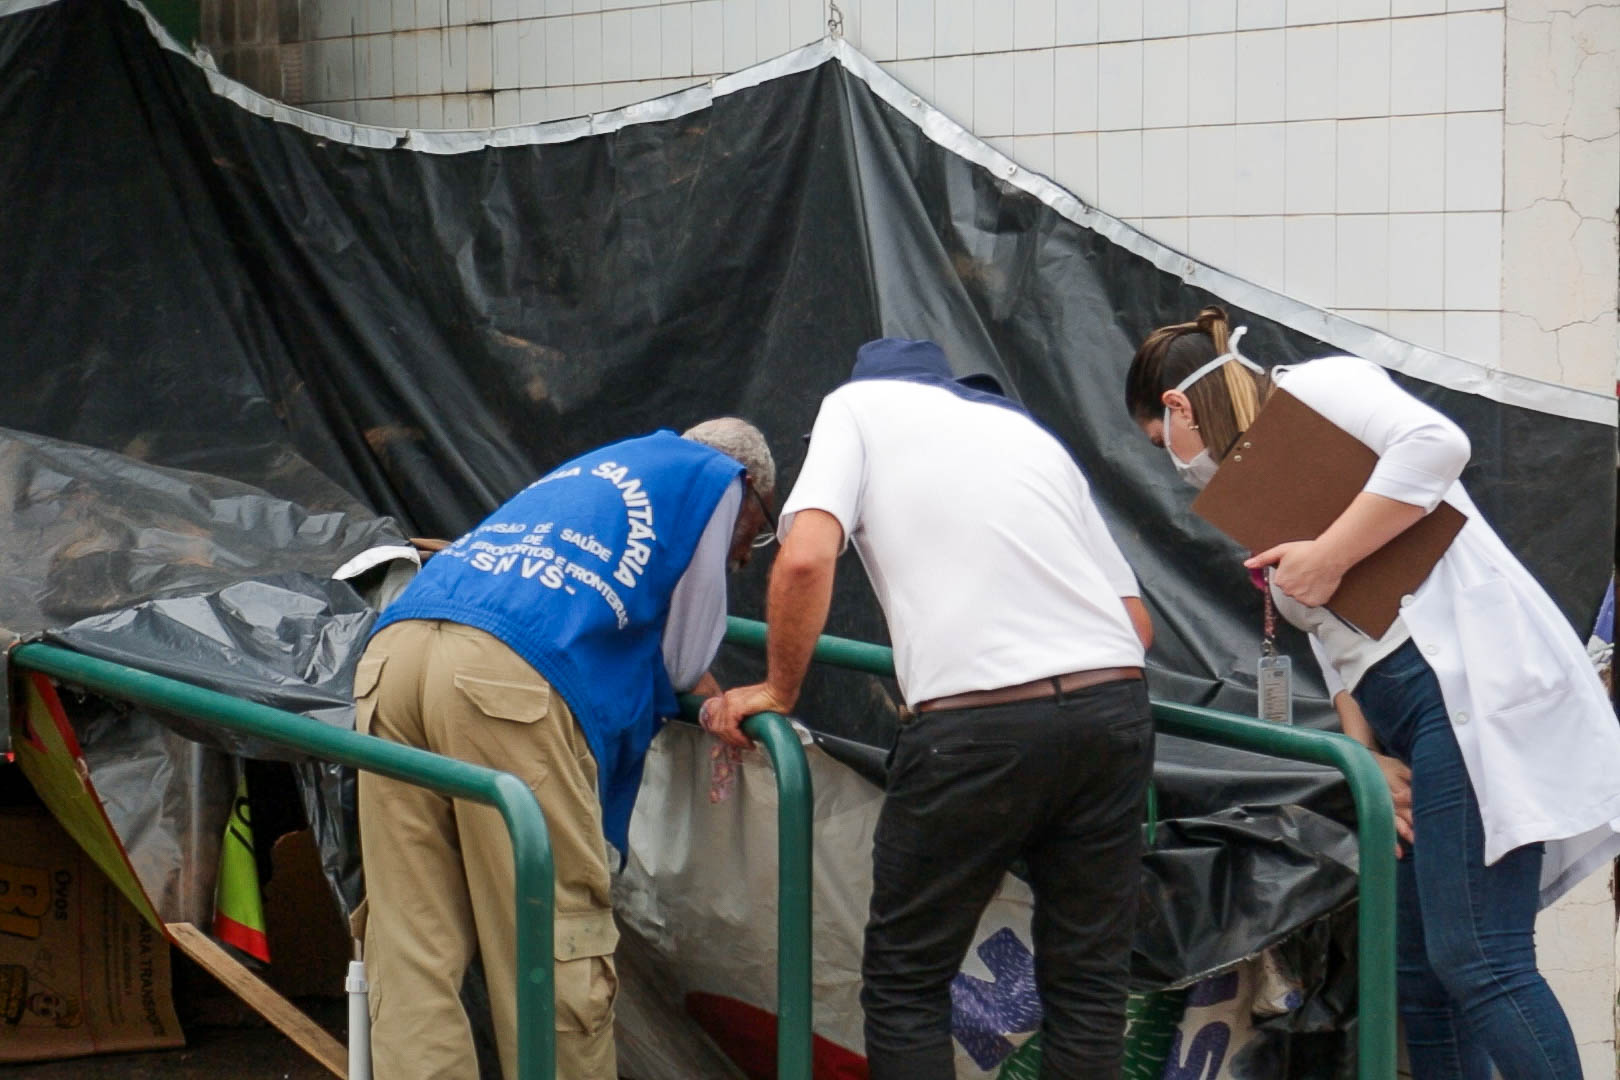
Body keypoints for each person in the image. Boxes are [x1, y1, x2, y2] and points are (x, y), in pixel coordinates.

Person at [1125, 306, 1620, 1080]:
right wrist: (1366, 762)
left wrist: (1327, 554)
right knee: (1420, 972)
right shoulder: (1264, 490)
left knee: (1480, 959)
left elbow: (1437, 445)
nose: (1175, 463)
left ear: (1180, 408)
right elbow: (1335, 640)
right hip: (1401, 718)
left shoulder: (1321, 388)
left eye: (1165, 444)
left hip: (1461, 688)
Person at [704, 338, 1156, 1079]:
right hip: (1111, 710)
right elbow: (1135, 624)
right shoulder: (1027, 432)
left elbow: (808, 554)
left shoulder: (856, 406)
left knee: (908, 980)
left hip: (977, 727)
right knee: (1088, 984)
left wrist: (779, 690)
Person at [354, 419, 776, 1080]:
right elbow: (685, 656)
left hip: (397, 649)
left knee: (410, 941)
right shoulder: (711, 480)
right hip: (503, 678)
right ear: (749, 487)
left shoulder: (606, 461)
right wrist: (719, 700)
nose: (746, 554)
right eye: (759, 528)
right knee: (552, 943)